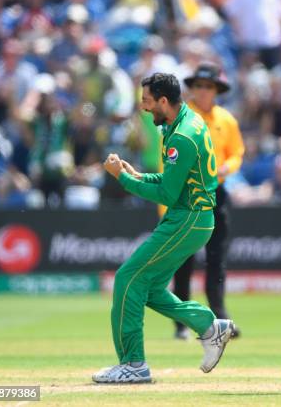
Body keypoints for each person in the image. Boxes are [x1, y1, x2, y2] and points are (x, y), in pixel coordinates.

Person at [93, 73, 235, 384]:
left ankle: (133, 363)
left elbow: (168, 195)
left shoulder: (181, 136)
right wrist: (138, 175)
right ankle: (210, 327)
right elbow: (172, 181)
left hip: (187, 218)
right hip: (191, 217)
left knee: (127, 277)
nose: (144, 108)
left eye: (146, 101)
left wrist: (123, 179)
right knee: (150, 288)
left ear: (163, 101)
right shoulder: (186, 122)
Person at [171, 62, 245, 340]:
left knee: (217, 259)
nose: (203, 91)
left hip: (216, 194)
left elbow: (237, 152)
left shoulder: (225, 119)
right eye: (199, 86)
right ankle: (181, 323)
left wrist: (229, 166)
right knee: (183, 259)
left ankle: (220, 318)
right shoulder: (183, 116)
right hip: (187, 194)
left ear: (216, 90)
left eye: (208, 86)